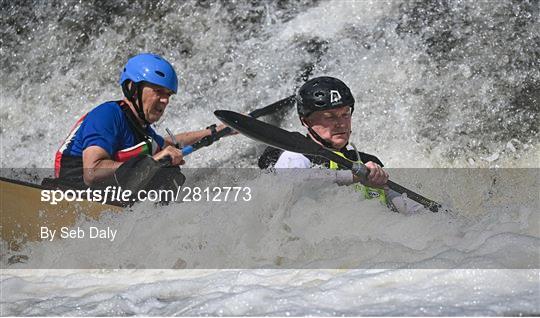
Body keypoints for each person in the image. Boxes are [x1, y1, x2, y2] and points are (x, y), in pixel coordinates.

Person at [54, 53, 226, 188]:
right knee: (157, 169)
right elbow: (92, 173)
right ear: (133, 89)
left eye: (168, 95)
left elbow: (172, 144)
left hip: (102, 205)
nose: (165, 100)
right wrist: (152, 161)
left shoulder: (142, 132)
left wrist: (216, 131)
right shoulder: (107, 115)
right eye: (158, 91)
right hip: (68, 194)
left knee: (168, 173)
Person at [258, 76, 424, 214]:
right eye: (329, 117)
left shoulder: (365, 162)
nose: (341, 124)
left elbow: (405, 207)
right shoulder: (296, 154)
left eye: (345, 114)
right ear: (305, 121)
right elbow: (292, 184)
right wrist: (353, 176)